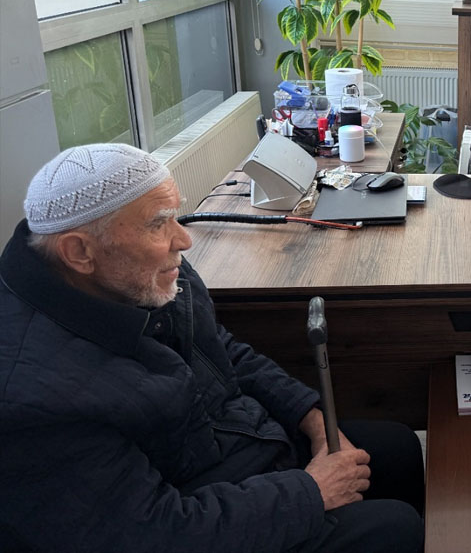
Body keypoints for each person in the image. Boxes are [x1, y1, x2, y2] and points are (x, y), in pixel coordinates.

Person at [0, 144, 424, 553]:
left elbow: (221, 350)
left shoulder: (138, 274)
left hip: (237, 448)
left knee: (398, 448)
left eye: (175, 216)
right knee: (393, 529)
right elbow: (151, 533)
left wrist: (312, 420)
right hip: (191, 510)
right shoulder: (31, 402)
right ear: (79, 251)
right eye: (158, 224)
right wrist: (311, 492)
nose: (183, 240)